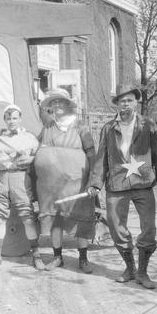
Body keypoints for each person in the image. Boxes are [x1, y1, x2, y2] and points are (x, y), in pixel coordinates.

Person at [88, 83, 157, 288]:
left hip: (142, 182)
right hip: (117, 183)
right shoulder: (108, 128)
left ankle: (143, 272)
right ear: (116, 104)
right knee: (116, 227)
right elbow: (101, 158)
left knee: (149, 227)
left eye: (129, 100)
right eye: (122, 100)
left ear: (136, 102)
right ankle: (130, 267)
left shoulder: (148, 125)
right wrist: (96, 183)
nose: (125, 104)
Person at [34, 89, 97, 272]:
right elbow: (36, 150)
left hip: (77, 185)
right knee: (55, 220)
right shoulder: (47, 128)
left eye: (61, 102)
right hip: (52, 186)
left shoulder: (81, 127)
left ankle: (83, 259)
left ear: (68, 105)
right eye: (54, 103)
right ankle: (57, 257)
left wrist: (93, 180)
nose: (57, 106)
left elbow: (92, 155)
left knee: (81, 219)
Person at [0, 104, 42, 268]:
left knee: (27, 218)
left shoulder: (30, 138)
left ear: (20, 119)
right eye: (8, 118)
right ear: (4, 120)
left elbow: (40, 159)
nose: (11, 121)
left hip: (20, 179)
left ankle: (36, 256)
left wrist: (31, 160)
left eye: (14, 118)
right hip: (0, 179)